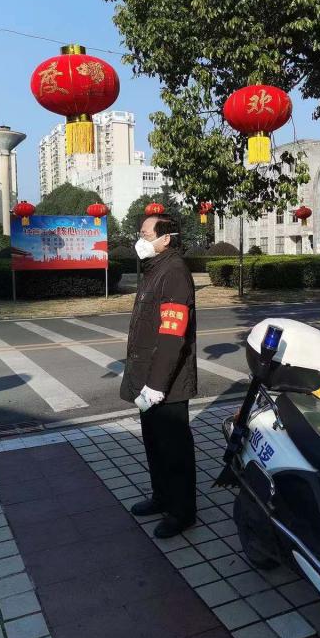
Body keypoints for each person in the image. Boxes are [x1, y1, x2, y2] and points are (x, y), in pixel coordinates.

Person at [120, 213, 197, 538]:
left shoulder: (174, 272)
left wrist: (155, 385)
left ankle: (182, 512)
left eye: (145, 234)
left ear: (166, 238)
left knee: (174, 450)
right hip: (149, 378)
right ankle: (161, 497)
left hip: (167, 383)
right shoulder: (156, 269)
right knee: (154, 444)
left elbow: (172, 335)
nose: (140, 240)